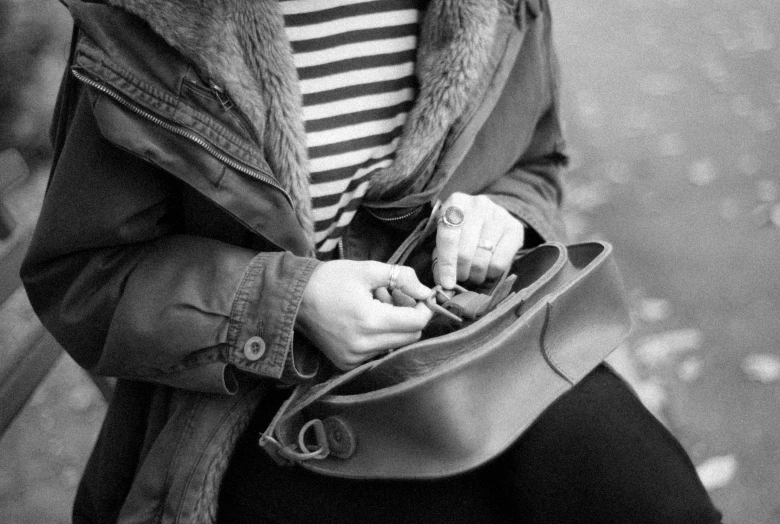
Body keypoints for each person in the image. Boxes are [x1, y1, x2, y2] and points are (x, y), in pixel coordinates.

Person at [21, 0, 723, 522]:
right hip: (262, 409)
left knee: (655, 500)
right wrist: (291, 304)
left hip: (480, 352)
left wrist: (497, 219)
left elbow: (535, 163)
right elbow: (84, 274)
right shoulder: (150, 22)